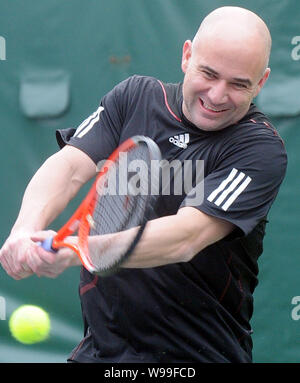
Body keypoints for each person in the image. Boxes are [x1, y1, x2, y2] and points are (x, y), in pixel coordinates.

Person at [0, 6, 287, 363]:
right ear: (187, 56)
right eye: (209, 74)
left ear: (261, 82)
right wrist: (25, 229)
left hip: (197, 354)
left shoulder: (258, 148)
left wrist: (80, 250)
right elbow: (69, 165)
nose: (216, 95)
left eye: (238, 84)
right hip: (102, 349)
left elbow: (185, 237)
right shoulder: (134, 97)